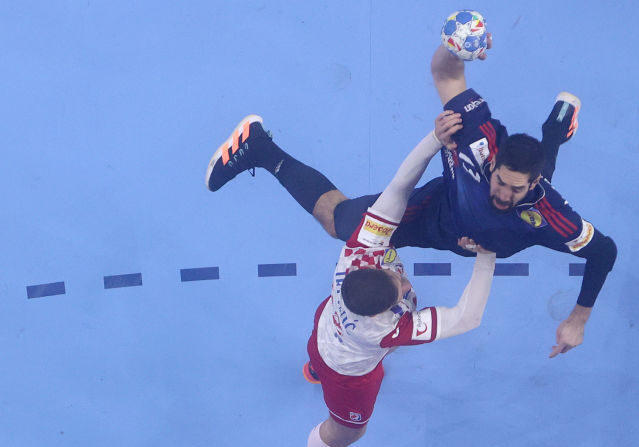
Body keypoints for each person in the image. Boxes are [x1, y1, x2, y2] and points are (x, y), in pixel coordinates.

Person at [206, 32, 616, 359]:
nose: (504, 193)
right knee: (338, 222)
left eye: (517, 188)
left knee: (541, 175)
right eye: (500, 182)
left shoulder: (550, 213)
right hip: (435, 209)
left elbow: (604, 252)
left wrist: (579, 318)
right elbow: (445, 71)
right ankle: (259, 147)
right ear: (492, 163)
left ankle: (555, 131)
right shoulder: (478, 135)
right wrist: (455, 44)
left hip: (488, 241)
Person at [207, 112, 496, 446]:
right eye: (399, 291)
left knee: (320, 344)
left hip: (327, 327)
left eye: (394, 277)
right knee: (350, 432)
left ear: (367, 269)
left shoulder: (358, 251)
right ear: (380, 314)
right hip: (349, 375)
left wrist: (434, 139)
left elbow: (399, 187)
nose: (405, 284)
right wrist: (487, 254)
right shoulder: (387, 331)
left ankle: (315, 368)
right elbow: (468, 317)